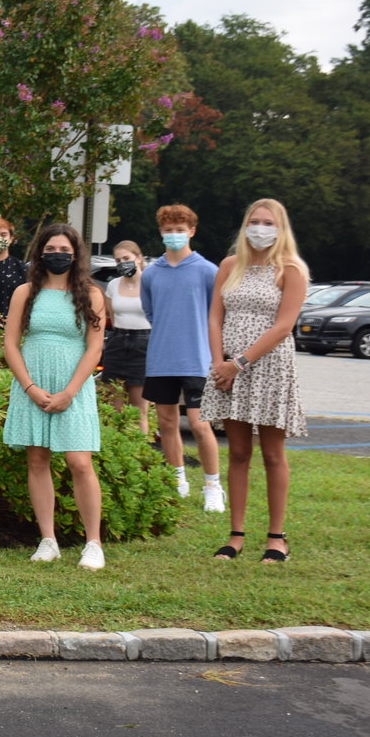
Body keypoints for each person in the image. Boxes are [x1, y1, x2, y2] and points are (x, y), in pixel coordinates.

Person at [200, 199, 308, 563]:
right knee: (239, 452)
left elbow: (283, 326)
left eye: (268, 222)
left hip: (269, 367)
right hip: (228, 370)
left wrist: (239, 363)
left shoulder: (290, 269)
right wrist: (219, 364)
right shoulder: (230, 266)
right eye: (255, 221)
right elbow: (215, 316)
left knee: (273, 453)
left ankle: (277, 538)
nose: (260, 228)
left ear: (280, 228)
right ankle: (235, 535)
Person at [2, 223, 107, 570]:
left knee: (80, 462)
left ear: (75, 255)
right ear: (39, 253)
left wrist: (69, 392)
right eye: (51, 250)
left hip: (73, 387)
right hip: (32, 385)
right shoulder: (24, 292)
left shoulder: (91, 294)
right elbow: (10, 345)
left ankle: (93, 543)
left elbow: (94, 349)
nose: (57, 256)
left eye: (64, 250)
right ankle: (48, 540)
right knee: (37, 460)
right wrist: (30, 388)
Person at [140, 204, 223, 511]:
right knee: (166, 422)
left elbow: (217, 315)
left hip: (197, 359)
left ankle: (212, 485)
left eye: (179, 229)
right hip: (161, 358)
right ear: (160, 232)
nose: (173, 235)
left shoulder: (208, 271)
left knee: (201, 425)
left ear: (191, 231)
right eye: (167, 229)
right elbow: (151, 312)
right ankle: (177, 480)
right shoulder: (151, 274)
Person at [99, 240, 152, 438]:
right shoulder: (113, 285)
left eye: (127, 258)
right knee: (114, 407)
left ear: (138, 258)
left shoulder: (151, 283)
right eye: (118, 260)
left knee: (139, 409)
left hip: (144, 343)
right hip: (118, 342)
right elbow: (112, 316)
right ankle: (114, 451)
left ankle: (140, 453)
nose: (123, 263)